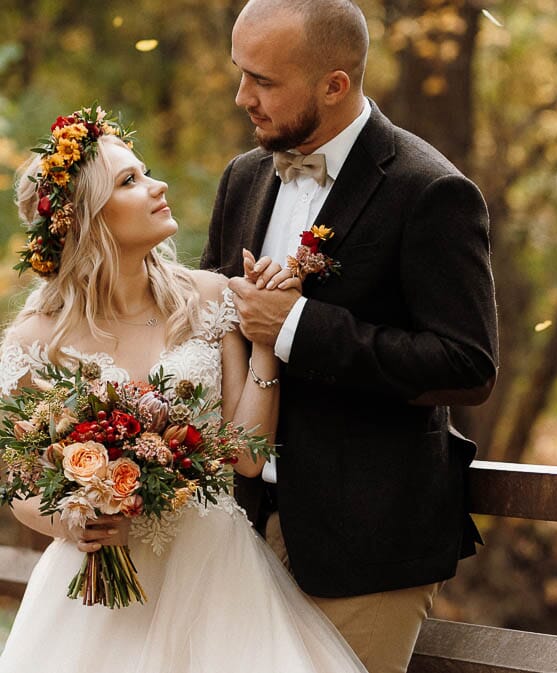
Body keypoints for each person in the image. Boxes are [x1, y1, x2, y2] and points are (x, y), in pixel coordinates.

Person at [0, 106, 368, 673]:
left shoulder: (209, 298)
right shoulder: (34, 338)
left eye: (144, 172)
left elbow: (245, 457)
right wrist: (71, 520)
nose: (157, 185)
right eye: (130, 181)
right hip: (95, 590)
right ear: (86, 219)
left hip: (216, 574)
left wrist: (266, 343)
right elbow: (14, 483)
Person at [200, 1, 499, 671]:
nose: (242, 97)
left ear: (334, 84)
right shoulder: (242, 177)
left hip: (367, 545)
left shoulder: (431, 191)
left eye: (264, 81)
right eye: (239, 73)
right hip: (237, 531)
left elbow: (466, 364)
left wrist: (300, 326)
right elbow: (211, 331)